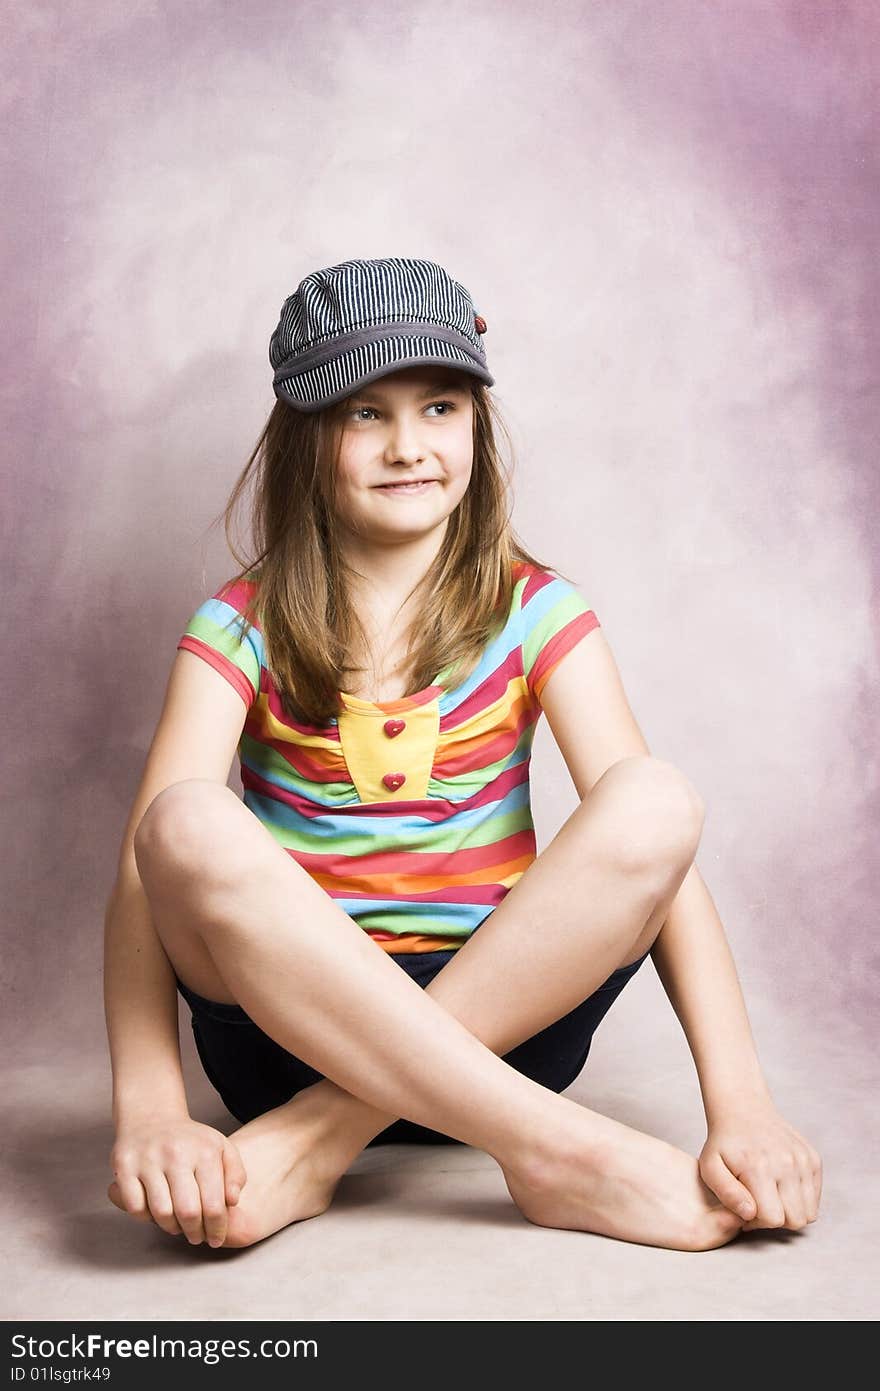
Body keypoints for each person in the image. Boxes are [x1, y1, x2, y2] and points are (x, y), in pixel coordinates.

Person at [103, 255, 822, 1254]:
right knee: (178, 820)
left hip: (512, 1024)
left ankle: (314, 1144)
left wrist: (741, 1102)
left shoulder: (537, 611)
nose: (409, 445)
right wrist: (148, 1108)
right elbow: (149, 886)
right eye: (364, 413)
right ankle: (554, 1149)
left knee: (654, 799)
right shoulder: (240, 622)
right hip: (289, 1032)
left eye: (439, 407)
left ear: (478, 424)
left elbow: (664, 872)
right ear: (306, 437)